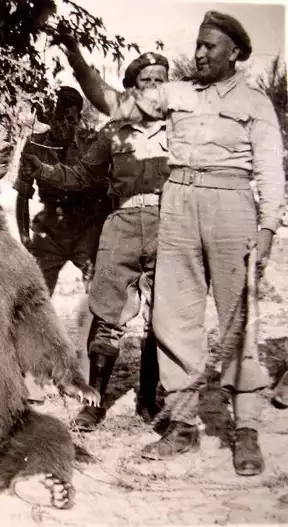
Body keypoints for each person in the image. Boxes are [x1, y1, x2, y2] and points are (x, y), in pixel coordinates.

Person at [54, 12, 284, 476]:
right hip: (176, 200)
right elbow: (112, 102)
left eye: (210, 47)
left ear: (235, 52)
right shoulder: (177, 94)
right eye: (197, 45)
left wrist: (267, 229)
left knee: (238, 316)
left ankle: (246, 431)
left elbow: (270, 171)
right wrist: (75, 55)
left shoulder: (255, 102)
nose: (199, 53)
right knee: (170, 317)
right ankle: (181, 426)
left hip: (231, 202)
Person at [26, 52, 170, 430]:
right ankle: (95, 402)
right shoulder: (113, 133)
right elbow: (79, 176)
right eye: (147, 81)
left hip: (168, 226)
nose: (156, 88)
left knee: (161, 318)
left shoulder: (181, 129)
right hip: (121, 224)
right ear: (131, 89)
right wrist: (43, 169)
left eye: (162, 80)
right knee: (107, 314)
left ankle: (148, 397)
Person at [14, 86, 112, 295]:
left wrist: (100, 236)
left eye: (71, 118)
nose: (64, 124)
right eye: (59, 117)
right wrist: (24, 238)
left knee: (100, 295)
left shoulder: (91, 144)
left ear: (78, 119)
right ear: (49, 117)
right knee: (36, 297)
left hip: (86, 228)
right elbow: (22, 195)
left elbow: (107, 191)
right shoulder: (34, 146)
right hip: (50, 230)